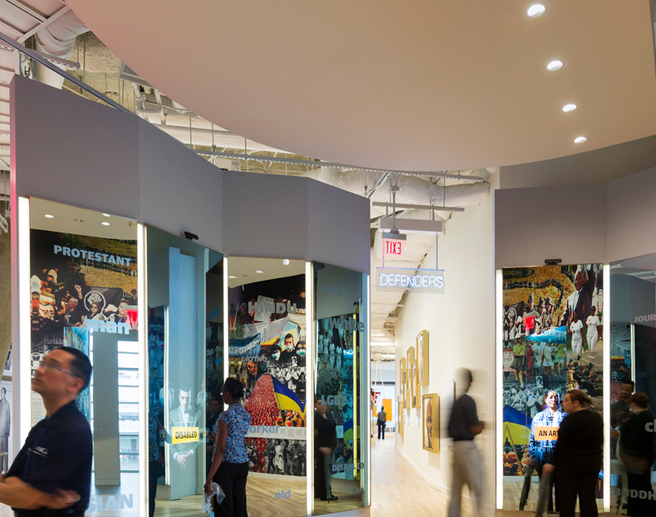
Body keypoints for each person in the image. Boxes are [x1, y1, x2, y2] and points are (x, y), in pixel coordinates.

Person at [0, 347, 92, 515]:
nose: (40, 370)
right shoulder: (42, 426)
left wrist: (29, 494)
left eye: (53, 366)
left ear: (74, 384)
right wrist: (37, 495)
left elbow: (27, 497)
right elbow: (11, 479)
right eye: (42, 364)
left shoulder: (71, 430)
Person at [543, 390, 603, 517]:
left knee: (568, 501)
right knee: (588, 499)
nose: (563, 403)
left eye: (566, 400)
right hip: (591, 464)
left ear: (576, 402)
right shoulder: (596, 418)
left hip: (570, 467)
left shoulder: (569, 420)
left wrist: (552, 463)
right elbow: (599, 441)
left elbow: (561, 445)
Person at [205, 378, 251, 517]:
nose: (222, 395)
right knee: (239, 504)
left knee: (224, 506)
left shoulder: (226, 415)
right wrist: (218, 438)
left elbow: (221, 449)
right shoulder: (245, 414)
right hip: (242, 462)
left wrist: (209, 477)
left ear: (227, 394)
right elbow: (235, 437)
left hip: (226, 464)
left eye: (223, 392)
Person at [447, 368, 484, 517]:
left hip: (455, 449)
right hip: (467, 449)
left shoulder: (455, 402)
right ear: (467, 381)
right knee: (478, 486)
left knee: (455, 490)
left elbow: (448, 429)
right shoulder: (468, 401)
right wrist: (483, 425)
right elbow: (474, 428)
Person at [528, 391, 566, 514]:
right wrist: (531, 455)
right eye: (551, 397)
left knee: (561, 490)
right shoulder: (538, 418)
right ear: (545, 399)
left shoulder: (565, 418)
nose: (554, 399)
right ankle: (547, 512)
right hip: (542, 459)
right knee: (545, 489)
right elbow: (532, 438)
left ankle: (561, 513)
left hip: (560, 460)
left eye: (556, 397)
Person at [619, 393, 656, 517]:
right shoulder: (649, 416)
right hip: (644, 457)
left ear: (633, 404)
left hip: (636, 459)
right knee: (642, 487)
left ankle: (638, 512)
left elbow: (633, 440)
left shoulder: (639, 419)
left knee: (638, 488)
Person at [169, 385, 202, 470]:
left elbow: (201, 438)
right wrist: (177, 456)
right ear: (179, 397)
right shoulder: (171, 415)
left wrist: (190, 453)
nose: (185, 402)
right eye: (183, 398)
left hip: (193, 459)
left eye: (188, 398)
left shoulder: (198, 414)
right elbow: (168, 439)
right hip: (176, 461)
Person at [314, 396, 338, 501]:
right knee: (322, 472)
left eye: (323, 404)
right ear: (315, 405)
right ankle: (325, 495)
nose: (322, 406)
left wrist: (334, 444)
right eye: (319, 404)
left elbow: (333, 431)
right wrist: (320, 447)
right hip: (321, 450)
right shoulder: (315, 418)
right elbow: (314, 435)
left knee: (326, 471)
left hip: (330, 448)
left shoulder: (329, 415)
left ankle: (322, 493)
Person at [0, 387, 9, 473]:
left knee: (5, 451)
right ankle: (0, 468)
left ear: (5, 393)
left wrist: (8, 432)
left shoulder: (7, 404)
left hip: (5, 432)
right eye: (1, 392)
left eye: (3, 392)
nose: (2, 394)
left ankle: (6, 469)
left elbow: (8, 418)